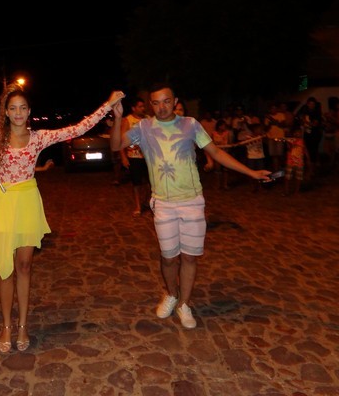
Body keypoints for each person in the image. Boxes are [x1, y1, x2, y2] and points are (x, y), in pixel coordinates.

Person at [0, 73, 124, 352]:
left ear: (29, 112)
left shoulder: (38, 138)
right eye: (13, 108)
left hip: (27, 203)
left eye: (23, 108)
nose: (18, 113)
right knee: (4, 269)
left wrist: (107, 105)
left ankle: (23, 326)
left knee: (25, 266)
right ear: (6, 112)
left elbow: (77, 128)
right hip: (3, 203)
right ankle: (6, 325)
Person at [110, 82, 270, 329]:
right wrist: (118, 117)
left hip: (192, 201)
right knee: (168, 258)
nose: (162, 107)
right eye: (156, 103)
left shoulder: (190, 124)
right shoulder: (143, 127)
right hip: (163, 203)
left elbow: (216, 153)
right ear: (151, 105)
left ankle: (184, 304)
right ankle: (171, 294)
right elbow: (115, 145)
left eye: (167, 101)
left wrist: (251, 172)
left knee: (190, 257)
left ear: (175, 102)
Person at [120, 96, 150, 216]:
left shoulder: (148, 119)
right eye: (140, 106)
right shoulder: (128, 120)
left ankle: (147, 202)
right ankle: (138, 205)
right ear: (133, 108)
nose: (143, 108)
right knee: (137, 183)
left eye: (143, 106)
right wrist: (123, 157)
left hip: (148, 157)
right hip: (134, 156)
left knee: (150, 182)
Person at [238, 122, 266, 193]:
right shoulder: (248, 137)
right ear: (255, 130)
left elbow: (266, 140)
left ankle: (260, 186)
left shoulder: (261, 137)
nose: (260, 130)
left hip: (260, 157)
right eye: (259, 129)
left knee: (261, 172)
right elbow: (242, 144)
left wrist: (264, 136)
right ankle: (253, 187)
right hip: (251, 157)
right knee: (251, 173)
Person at [297, 97, 323, 173]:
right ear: (307, 104)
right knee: (306, 152)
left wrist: (305, 121)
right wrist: (301, 121)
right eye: (310, 104)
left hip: (315, 135)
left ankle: (312, 170)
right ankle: (308, 169)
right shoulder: (304, 112)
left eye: (313, 104)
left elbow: (314, 124)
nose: (311, 105)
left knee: (313, 152)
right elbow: (300, 122)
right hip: (306, 134)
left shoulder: (317, 113)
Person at [283, 127, 310, 196]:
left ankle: (296, 191)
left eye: (299, 132)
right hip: (290, 161)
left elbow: (305, 149)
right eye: (296, 132)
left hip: (299, 162)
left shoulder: (302, 141)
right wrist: (289, 143)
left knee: (298, 177)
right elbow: (289, 149)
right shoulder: (290, 140)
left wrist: (308, 158)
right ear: (293, 133)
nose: (298, 134)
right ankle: (286, 191)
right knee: (287, 177)